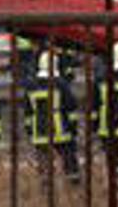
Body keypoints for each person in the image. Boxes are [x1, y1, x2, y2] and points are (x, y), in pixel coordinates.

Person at [26, 51, 80, 190]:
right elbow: (71, 107)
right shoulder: (61, 84)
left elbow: (28, 112)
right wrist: (73, 128)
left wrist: (30, 131)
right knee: (69, 157)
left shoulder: (31, 85)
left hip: (40, 130)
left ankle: (45, 188)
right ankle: (74, 187)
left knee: (44, 161)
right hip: (60, 129)